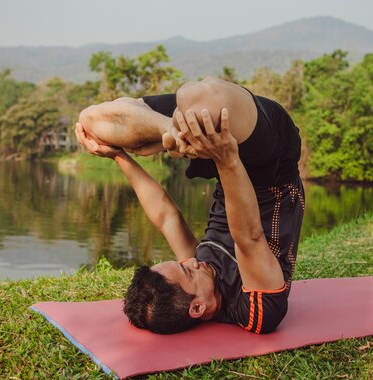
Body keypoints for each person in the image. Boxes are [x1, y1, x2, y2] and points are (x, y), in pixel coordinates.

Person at [75, 77, 304, 334]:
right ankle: (182, 132)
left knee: (92, 123)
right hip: (271, 163)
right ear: (197, 308)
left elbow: (166, 216)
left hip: (216, 154)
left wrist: (118, 155)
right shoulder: (255, 310)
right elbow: (249, 237)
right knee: (201, 96)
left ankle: (175, 132)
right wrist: (227, 158)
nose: (192, 261)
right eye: (187, 271)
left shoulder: (198, 270)